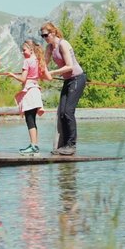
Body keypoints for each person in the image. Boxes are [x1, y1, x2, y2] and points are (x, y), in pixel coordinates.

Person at [41, 22, 86, 156]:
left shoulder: (63, 44)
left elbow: (69, 66)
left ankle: (71, 145)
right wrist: (35, 72)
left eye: (46, 35)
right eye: (42, 36)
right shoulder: (49, 48)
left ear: (53, 33)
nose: (44, 38)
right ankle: (63, 145)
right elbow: (44, 64)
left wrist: (52, 73)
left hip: (77, 79)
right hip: (68, 81)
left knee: (68, 111)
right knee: (61, 113)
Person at [8, 39, 52, 155]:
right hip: (36, 91)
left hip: (29, 92)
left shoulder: (27, 61)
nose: (23, 53)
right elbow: (49, 77)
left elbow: (23, 79)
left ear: (31, 50)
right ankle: (34, 145)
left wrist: (12, 75)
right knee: (32, 119)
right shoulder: (39, 61)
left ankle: (33, 146)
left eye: (24, 50)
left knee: (30, 120)